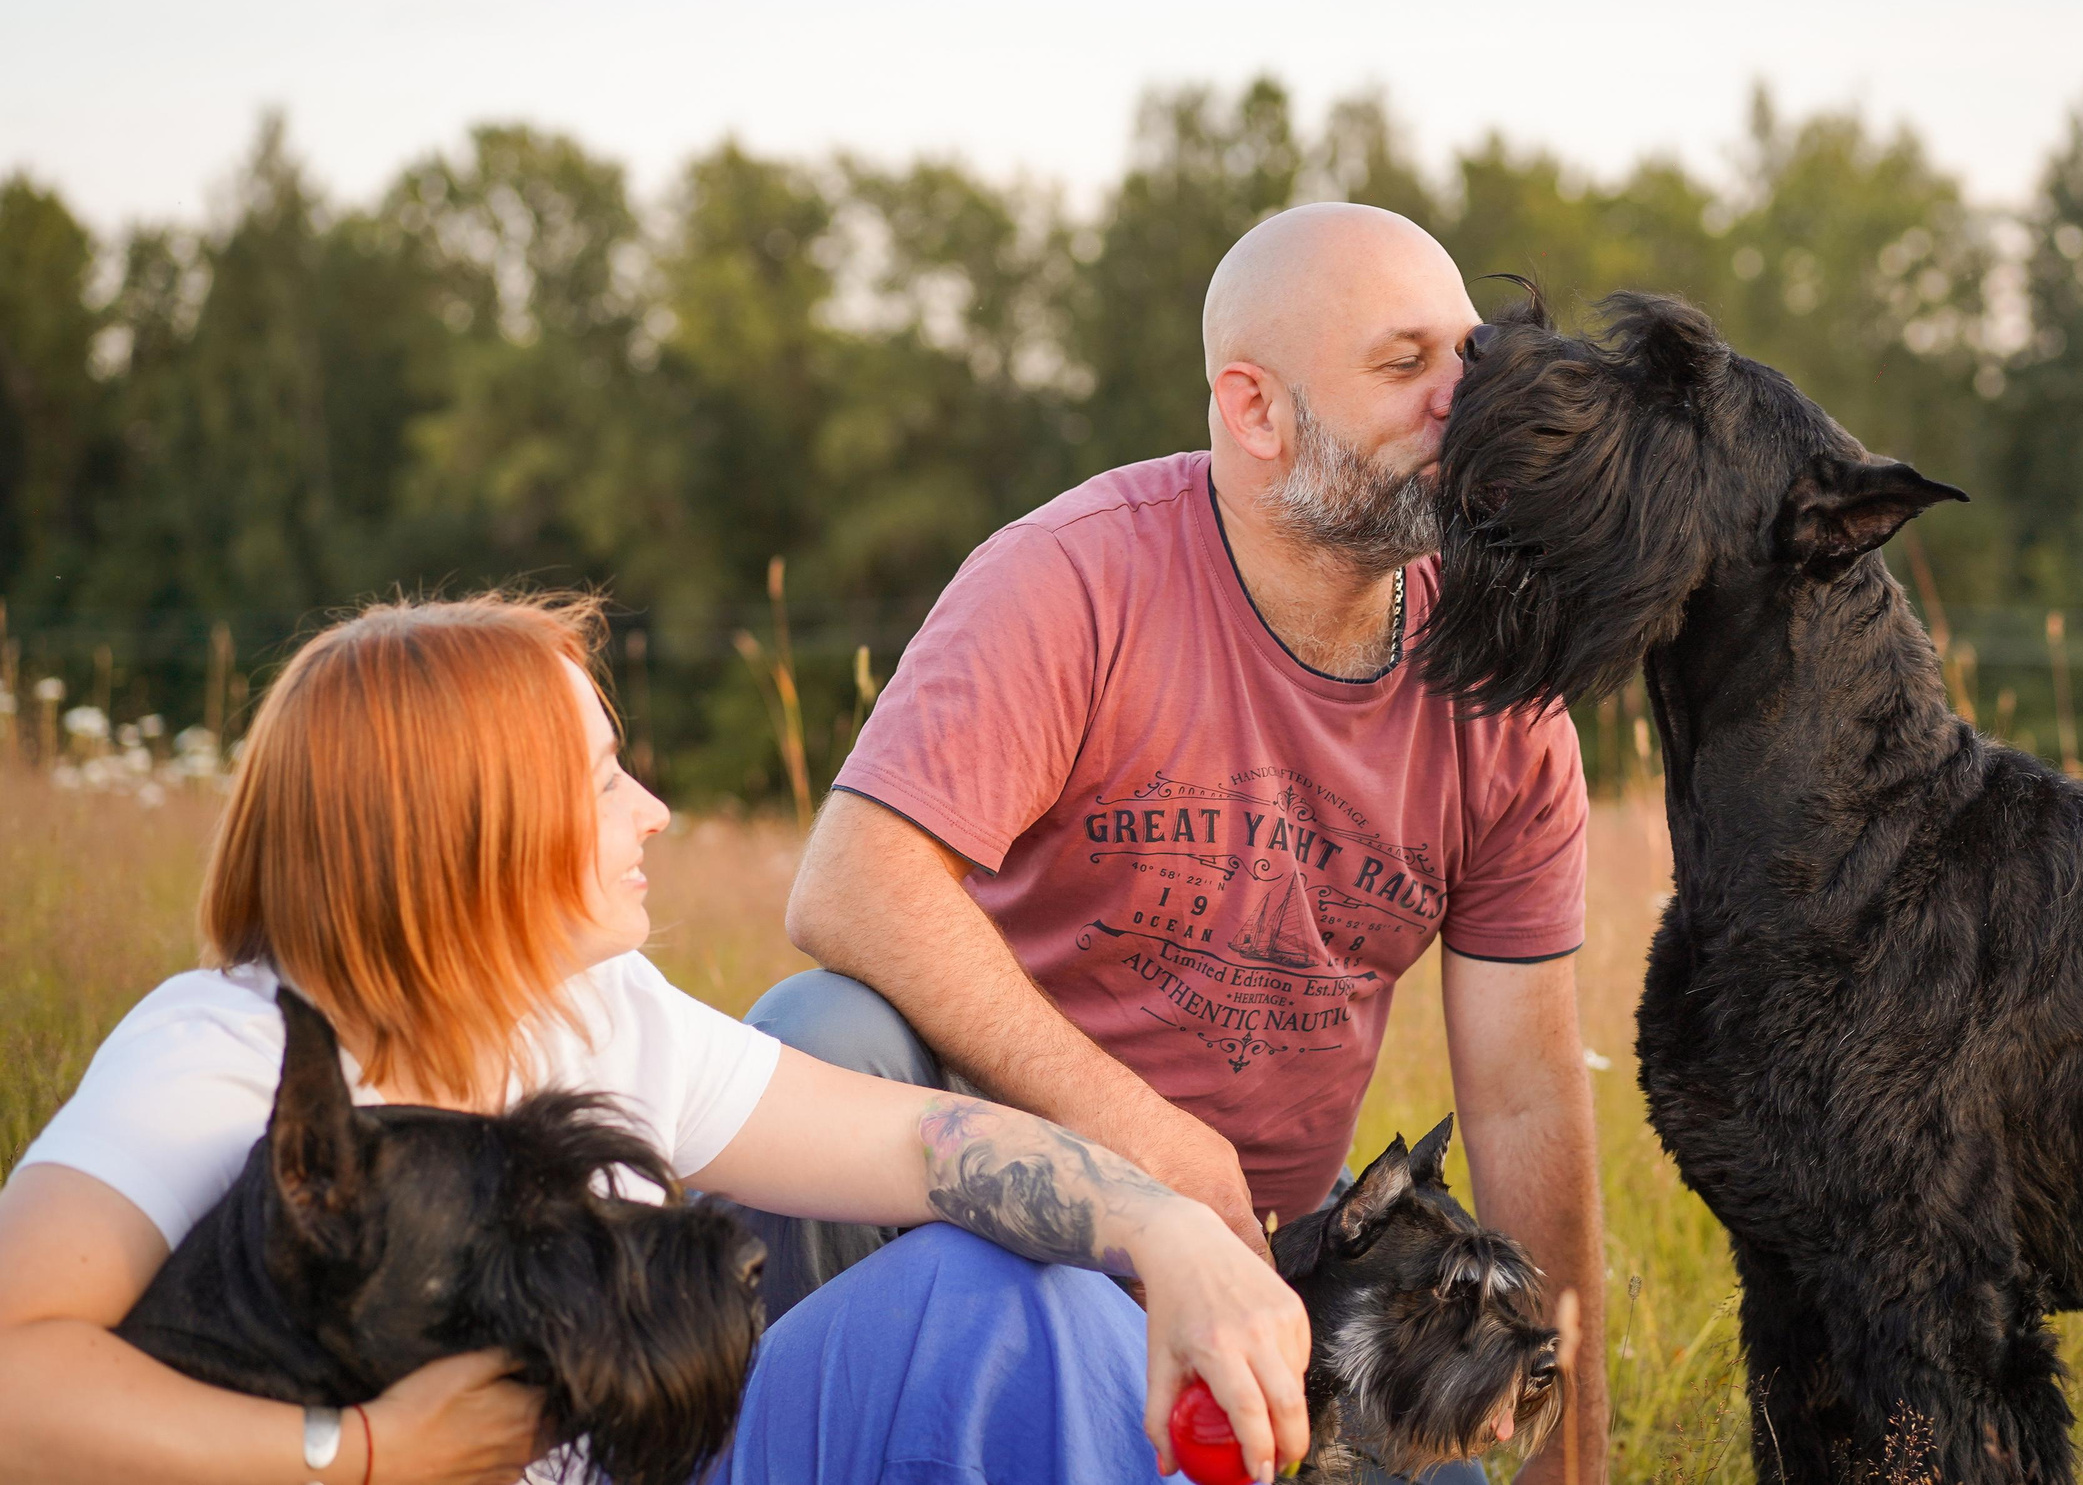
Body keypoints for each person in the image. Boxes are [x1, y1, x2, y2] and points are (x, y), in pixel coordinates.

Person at [0, 595, 1308, 1485]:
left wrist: (1166, 1225)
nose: (657, 810)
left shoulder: (592, 1008)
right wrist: (362, 1453)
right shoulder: (220, 1056)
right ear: (473, 834)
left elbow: (926, 1141)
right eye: (603, 778)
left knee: (993, 1301)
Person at [742, 202, 1609, 1484]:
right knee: (819, 1038)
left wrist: (1568, 1476)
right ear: (1254, 411)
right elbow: (851, 883)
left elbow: (1529, 1095)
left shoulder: (1501, 688)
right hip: (1001, 1188)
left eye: (1466, 362)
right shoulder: (1072, 579)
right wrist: (1140, 1143)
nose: (1459, 403)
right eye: (1402, 364)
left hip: (1270, 1258)